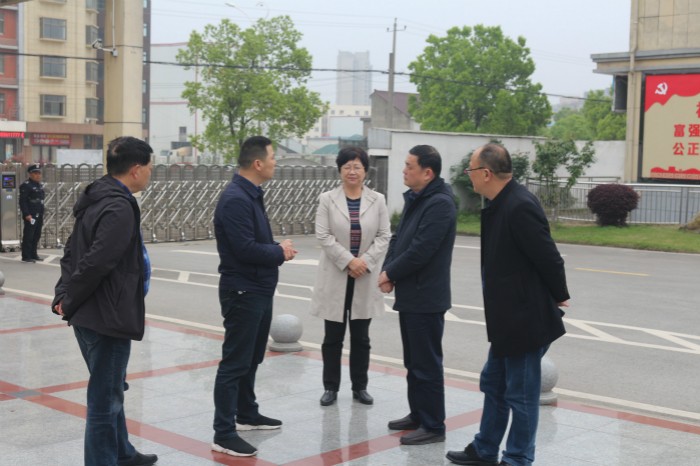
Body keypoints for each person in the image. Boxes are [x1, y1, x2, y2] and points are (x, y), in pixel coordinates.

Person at [446, 143, 570, 466]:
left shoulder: (519, 206)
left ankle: (518, 457)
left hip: (524, 319)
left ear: (486, 173)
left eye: (471, 170)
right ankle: (485, 448)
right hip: (507, 318)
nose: (468, 176)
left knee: (521, 394)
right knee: (494, 383)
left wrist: (559, 293)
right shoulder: (501, 203)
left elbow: (549, 257)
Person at [52, 137, 157, 466]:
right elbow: (97, 261)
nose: (151, 173)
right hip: (106, 316)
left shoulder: (97, 196)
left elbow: (72, 252)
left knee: (110, 387)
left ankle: (122, 452)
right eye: (150, 167)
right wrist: (68, 298)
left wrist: (64, 294)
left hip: (90, 313)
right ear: (136, 169)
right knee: (104, 400)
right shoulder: (119, 206)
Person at [211, 135, 297, 457]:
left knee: (251, 358)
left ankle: (246, 413)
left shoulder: (251, 194)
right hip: (243, 290)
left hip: (258, 288)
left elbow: (251, 242)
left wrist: (275, 249)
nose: (275, 162)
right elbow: (244, 249)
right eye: (273, 157)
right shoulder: (236, 198)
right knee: (235, 362)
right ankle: (223, 432)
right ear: (258, 163)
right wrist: (279, 251)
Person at [378, 144, 457, 446]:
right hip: (412, 294)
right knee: (413, 362)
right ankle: (418, 414)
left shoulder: (440, 204)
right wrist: (388, 270)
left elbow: (421, 250)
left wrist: (390, 274)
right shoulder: (417, 198)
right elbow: (399, 239)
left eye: (409, 166)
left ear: (427, 172)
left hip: (427, 297)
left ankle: (433, 425)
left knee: (427, 364)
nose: (404, 170)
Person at [311, 147, 391, 407]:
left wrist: (364, 263)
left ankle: (360, 387)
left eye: (357, 166)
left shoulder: (378, 200)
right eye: (347, 166)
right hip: (336, 275)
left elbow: (384, 236)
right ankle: (330, 387)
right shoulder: (327, 199)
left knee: (361, 338)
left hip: (364, 276)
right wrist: (348, 261)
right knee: (332, 337)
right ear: (340, 170)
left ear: (365, 170)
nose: (352, 171)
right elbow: (323, 236)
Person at [19, 164, 45, 263]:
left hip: (39, 213)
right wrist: (26, 214)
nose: (38, 175)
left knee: (36, 235)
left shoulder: (39, 185)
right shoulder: (26, 185)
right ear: (30, 174)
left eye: (39, 173)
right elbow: (23, 201)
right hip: (31, 214)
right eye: (35, 173)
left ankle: (33, 254)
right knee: (29, 235)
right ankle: (26, 255)